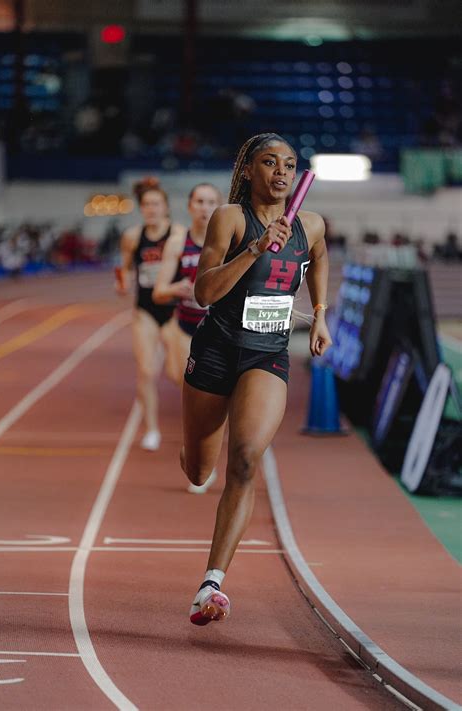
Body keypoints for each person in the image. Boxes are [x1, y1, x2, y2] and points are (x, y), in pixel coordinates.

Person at [180, 133, 332, 625]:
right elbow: (204, 292)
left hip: (267, 355)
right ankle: (194, 444)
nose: (282, 172)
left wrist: (322, 313)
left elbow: (320, 257)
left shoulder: (310, 223)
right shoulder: (229, 218)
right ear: (249, 170)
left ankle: (211, 585)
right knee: (200, 471)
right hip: (217, 351)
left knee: (244, 459)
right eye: (270, 162)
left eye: (289, 164)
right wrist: (254, 250)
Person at [152, 182, 223, 493]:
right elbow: (158, 291)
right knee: (190, 399)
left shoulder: (228, 239)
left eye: (211, 202)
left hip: (218, 330)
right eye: (200, 202)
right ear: (190, 206)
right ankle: (196, 454)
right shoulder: (178, 243)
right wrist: (178, 289)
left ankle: (208, 462)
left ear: (219, 206)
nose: (205, 208)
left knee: (216, 402)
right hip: (185, 327)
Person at [115, 176, 186, 451]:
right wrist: (121, 283)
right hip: (145, 309)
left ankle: (191, 425)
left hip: (173, 311)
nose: (151, 209)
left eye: (156, 204)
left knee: (177, 373)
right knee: (146, 371)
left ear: (166, 207)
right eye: (146, 204)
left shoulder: (179, 234)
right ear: (141, 207)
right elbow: (125, 269)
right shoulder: (132, 237)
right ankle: (152, 429)